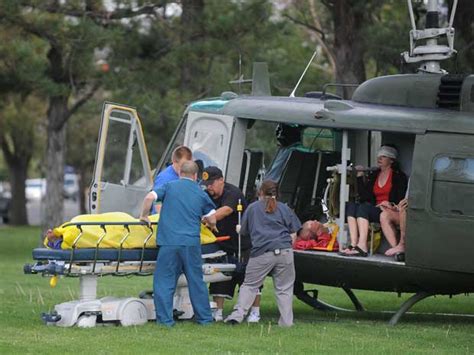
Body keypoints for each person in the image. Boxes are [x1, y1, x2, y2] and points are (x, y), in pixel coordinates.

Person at [140, 160, 217, 327]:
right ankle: (204, 319)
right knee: (196, 282)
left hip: (169, 243)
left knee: (164, 282)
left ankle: (165, 321)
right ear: (196, 176)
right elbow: (212, 216)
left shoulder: (169, 186)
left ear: (180, 172)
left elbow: (149, 197)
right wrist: (211, 224)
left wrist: (144, 216)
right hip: (190, 244)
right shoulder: (200, 193)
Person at [224, 180, 301, 327]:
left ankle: (236, 316)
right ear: (277, 193)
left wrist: (239, 228)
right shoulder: (285, 208)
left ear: (260, 192)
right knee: (284, 289)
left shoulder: (253, 208)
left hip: (262, 252)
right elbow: (294, 230)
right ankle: (286, 322)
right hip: (285, 251)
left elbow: (245, 231)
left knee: (250, 285)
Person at [201, 166, 261, 322]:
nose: (209, 187)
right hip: (222, 244)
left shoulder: (233, 193)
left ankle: (255, 312)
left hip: (243, 243)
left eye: (211, 183)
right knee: (219, 278)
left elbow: (226, 210)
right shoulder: (206, 194)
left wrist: (208, 218)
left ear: (221, 180)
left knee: (250, 278)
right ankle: (218, 312)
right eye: (206, 184)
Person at [341, 145, 407, 257]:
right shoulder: (375, 174)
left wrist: (389, 203)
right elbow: (364, 196)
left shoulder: (399, 176)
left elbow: (400, 197)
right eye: (379, 156)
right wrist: (360, 177)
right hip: (375, 207)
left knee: (363, 209)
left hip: (389, 209)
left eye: (384, 156)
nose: (379, 158)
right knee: (351, 206)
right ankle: (353, 244)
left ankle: (362, 246)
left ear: (391, 160)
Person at [152, 145, 192, 212]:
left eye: (187, 165)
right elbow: (157, 201)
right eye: (182, 165)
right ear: (174, 161)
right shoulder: (164, 178)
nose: (184, 169)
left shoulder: (188, 175)